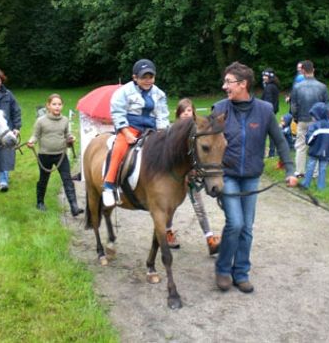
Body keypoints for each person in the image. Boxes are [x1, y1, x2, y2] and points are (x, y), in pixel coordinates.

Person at [212, 61, 298, 294]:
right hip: (227, 175)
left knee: (247, 227)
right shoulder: (219, 109)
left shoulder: (264, 110)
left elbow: (280, 141)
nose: (224, 86)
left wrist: (290, 170)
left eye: (228, 82)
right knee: (236, 223)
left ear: (243, 84)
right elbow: (206, 145)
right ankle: (222, 269)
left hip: (251, 177)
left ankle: (241, 273)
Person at [103, 59, 170, 207]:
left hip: (152, 130)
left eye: (150, 77)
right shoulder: (123, 92)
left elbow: (162, 115)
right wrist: (126, 133)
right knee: (119, 149)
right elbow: (118, 113)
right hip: (130, 128)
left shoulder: (159, 94)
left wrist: (162, 132)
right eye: (143, 77)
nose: (148, 80)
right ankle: (108, 185)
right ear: (135, 77)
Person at [165, 98, 221, 255]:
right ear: (178, 114)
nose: (186, 114)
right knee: (171, 206)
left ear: (193, 113)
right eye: (183, 111)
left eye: (189, 111)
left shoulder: (198, 131)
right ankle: (168, 232)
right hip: (177, 178)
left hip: (193, 177)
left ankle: (209, 239)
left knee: (199, 206)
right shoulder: (172, 131)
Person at [27, 94, 83, 216]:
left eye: (59, 104)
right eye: (54, 104)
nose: (57, 107)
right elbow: (35, 135)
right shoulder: (41, 121)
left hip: (61, 155)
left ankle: (74, 206)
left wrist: (71, 138)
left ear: (62, 106)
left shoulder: (65, 120)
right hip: (45, 155)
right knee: (43, 179)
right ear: (48, 105)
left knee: (67, 179)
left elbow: (67, 134)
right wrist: (31, 141)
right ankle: (40, 202)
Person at [290, 60, 329, 177]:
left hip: (302, 118)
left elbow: (293, 105)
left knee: (301, 145)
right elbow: (327, 105)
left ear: (302, 71)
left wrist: (296, 118)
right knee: (316, 144)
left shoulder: (297, 87)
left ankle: (300, 171)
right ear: (313, 70)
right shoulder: (322, 87)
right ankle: (315, 172)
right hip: (317, 120)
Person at [300, 102, 329, 190]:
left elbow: (309, 139)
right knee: (323, 168)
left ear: (317, 115)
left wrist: (308, 142)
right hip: (326, 151)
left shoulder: (315, 126)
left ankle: (306, 184)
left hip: (315, 150)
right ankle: (321, 186)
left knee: (310, 166)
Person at [261, 68, 280, 157]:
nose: (263, 77)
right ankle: (271, 152)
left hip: (268, 113)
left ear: (270, 77)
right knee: (271, 133)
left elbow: (268, 101)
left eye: (265, 76)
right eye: (263, 75)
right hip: (272, 112)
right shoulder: (273, 86)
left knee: (265, 133)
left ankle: (269, 152)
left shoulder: (269, 87)